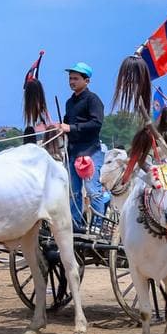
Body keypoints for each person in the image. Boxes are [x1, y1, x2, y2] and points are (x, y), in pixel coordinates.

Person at [59, 62, 106, 231]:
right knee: (74, 192)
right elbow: (66, 123)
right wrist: (60, 127)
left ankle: (97, 225)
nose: (72, 81)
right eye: (70, 78)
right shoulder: (69, 103)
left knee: (93, 191)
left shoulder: (93, 100)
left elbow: (96, 123)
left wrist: (71, 128)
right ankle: (75, 224)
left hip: (90, 152)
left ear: (87, 81)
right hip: (73, 152)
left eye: (76, 78)